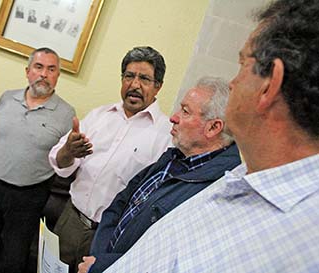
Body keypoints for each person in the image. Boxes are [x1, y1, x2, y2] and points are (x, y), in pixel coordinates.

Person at [103, 0, 319, 272]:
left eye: (242, 64)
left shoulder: (302, 242)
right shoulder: (240, 179)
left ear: (269, 84)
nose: (232, 82)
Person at [78, 76, 241, 273]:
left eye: (185, 111)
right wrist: (99, 256)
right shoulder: (173, 157)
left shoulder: (220, 186)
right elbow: (119, 205)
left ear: (213, 127)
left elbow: (173, 258)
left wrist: (105, 265)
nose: (174, 117)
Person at [49, 46, 172, 272]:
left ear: (158, 87)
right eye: (129, 76)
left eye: (144, 78)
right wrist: (68, 150)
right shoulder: (98, 116)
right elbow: (60, 164)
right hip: (70, 221)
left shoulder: (165, 135)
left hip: (109, 237)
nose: (134, 85)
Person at [0, 47, 75, 273]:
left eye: (51, 69)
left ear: (57, 76)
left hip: (30, 195)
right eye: (39, 67)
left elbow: (65, 159)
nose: (44, 74)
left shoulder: (66, 114)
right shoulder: (7, 98)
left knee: (13, 260)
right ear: (28, 71)